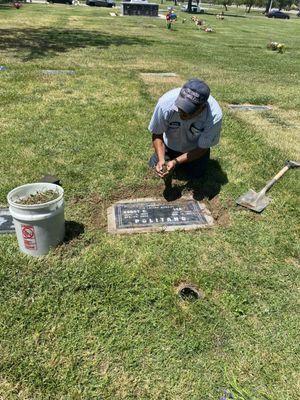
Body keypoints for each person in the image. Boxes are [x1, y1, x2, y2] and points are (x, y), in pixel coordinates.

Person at [148, 78, 222, 183]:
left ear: (202, 108)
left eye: (188, 111)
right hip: (169, 146)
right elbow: (157, 133)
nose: (182, 113)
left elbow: (203, 148)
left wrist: (175, 162)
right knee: (153, 166)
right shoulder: (165, 103)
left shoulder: (214, 116)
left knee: (197, 175)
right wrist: (161, 159)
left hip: (195, 149)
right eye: (180, 107)